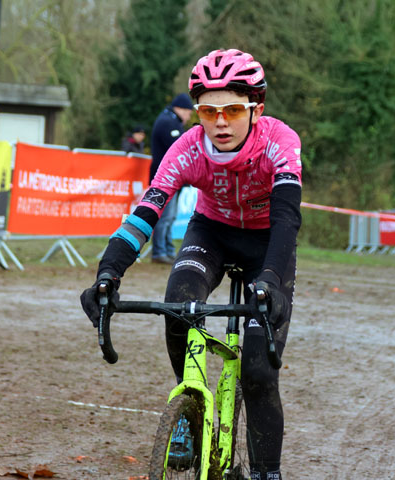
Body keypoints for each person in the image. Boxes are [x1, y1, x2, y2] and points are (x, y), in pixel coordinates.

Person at [81, 49, 302, 479]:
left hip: (267, 243)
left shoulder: (280, 141)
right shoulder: (187, 147)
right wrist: (109, 270)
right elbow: (148, 210)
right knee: (178, 304)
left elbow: (287, 218)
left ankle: (266, 472)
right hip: (212, 233)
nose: (220, 122)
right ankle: (190, 412)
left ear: (257, 109)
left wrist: (272, 278)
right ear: (196, 112)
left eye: (233, 109)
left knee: (258, 370)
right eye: (208, 110)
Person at [149, 92, 194, 264]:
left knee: (170, 216)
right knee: (165, 216)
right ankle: (159, 251)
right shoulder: (168, 122)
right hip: (165, 178)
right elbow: (179, 148)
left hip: (173, 178)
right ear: (181, 109)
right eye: (188, 112)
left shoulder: (170, 120)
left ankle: (166, 250)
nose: (189, 116)